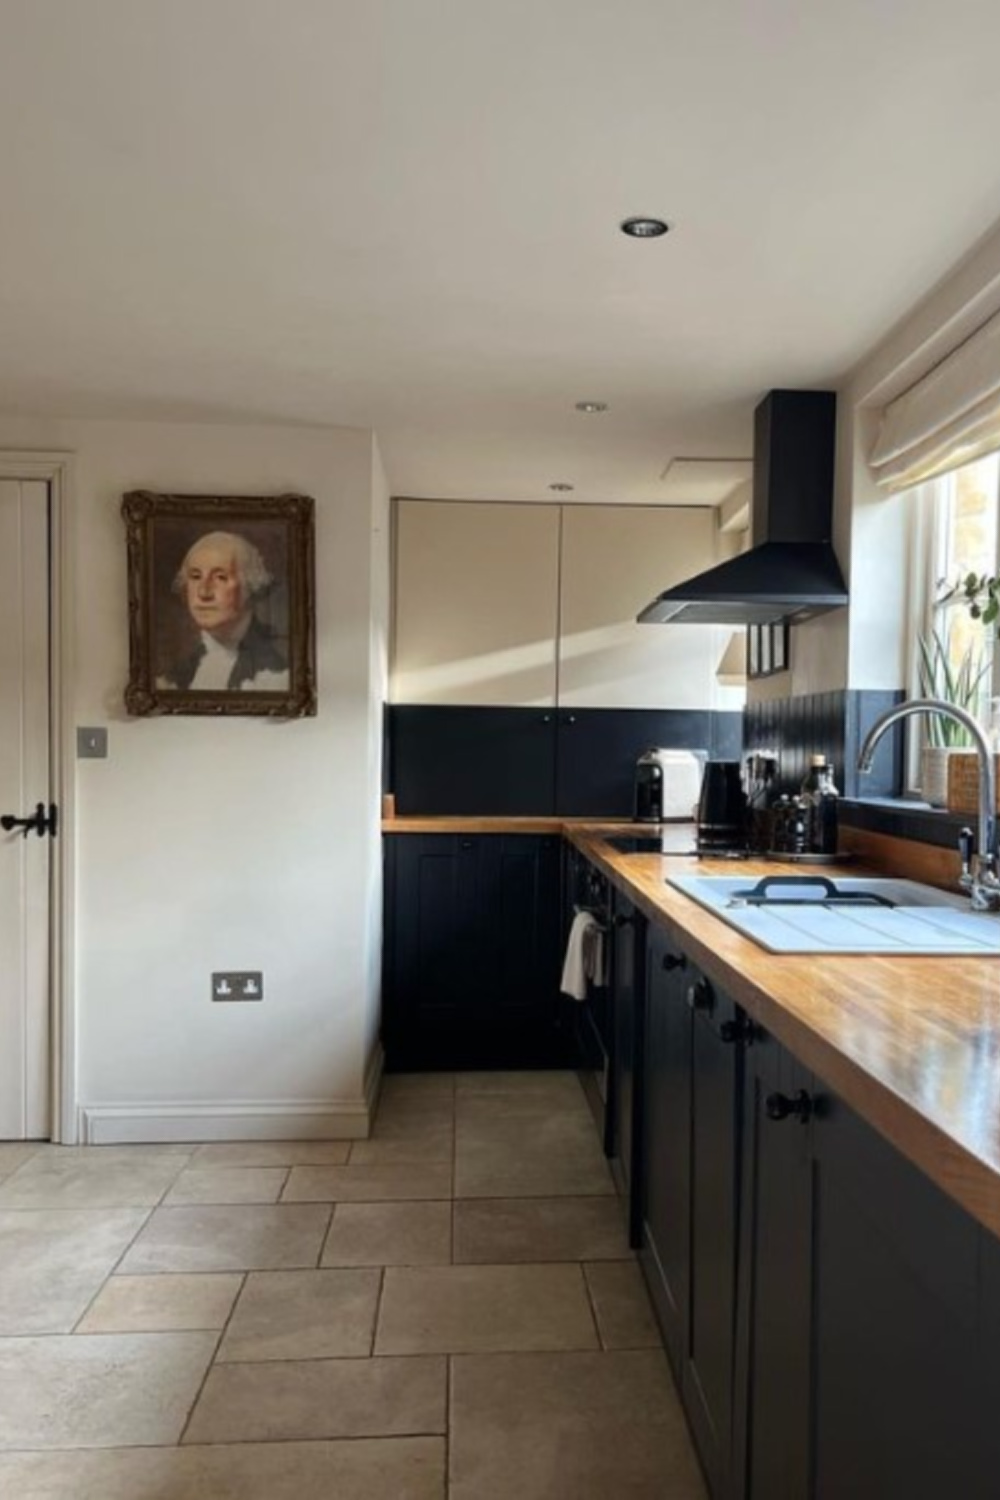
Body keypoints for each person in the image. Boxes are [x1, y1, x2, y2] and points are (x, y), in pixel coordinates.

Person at [160, 530, 289, 691]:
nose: (203, 593)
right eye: (195, 576)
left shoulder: (279, 675)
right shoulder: (173, 677)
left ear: (250, 585)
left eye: (221, 577)